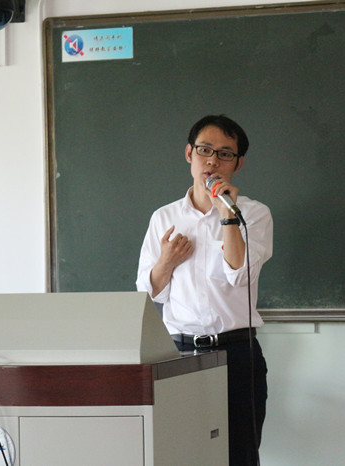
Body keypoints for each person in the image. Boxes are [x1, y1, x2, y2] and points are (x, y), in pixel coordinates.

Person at [136, 114, 273, 465]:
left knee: (240, 456)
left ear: (238, 164)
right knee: (181, 455)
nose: (212, 161)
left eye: (225, 154)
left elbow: (239, 274)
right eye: (205, 150)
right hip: (177, 354)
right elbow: (148, 294)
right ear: (189, 154)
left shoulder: (254, 214)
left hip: (237, 353)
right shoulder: (163, 218)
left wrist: (228, 214)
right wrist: (167, 260)